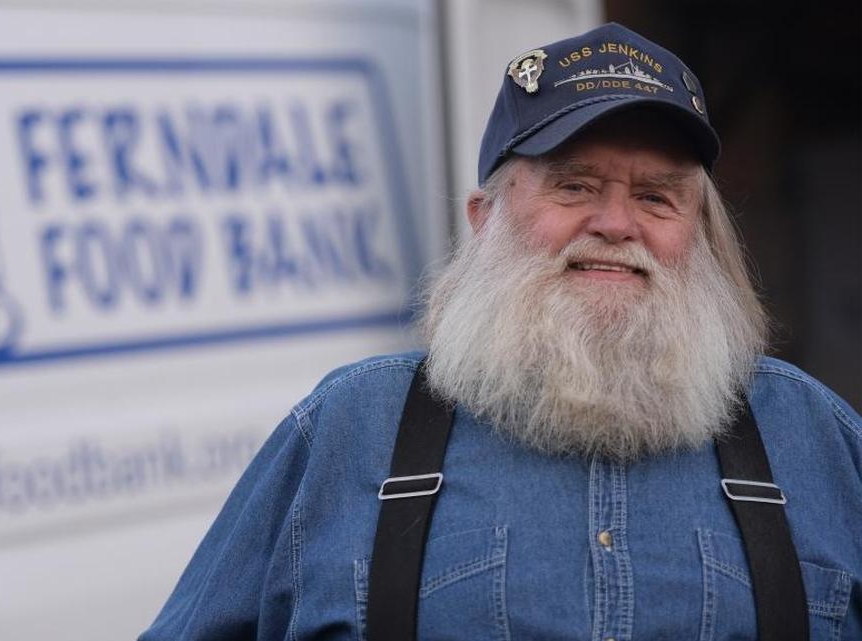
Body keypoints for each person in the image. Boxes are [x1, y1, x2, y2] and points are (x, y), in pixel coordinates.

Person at [140, 23, 862, 640]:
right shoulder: (347, 428)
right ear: (484, 221)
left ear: (698, 236)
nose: (615, 224)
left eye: (655, 196)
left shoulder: (812, 435)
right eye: (574, 184)